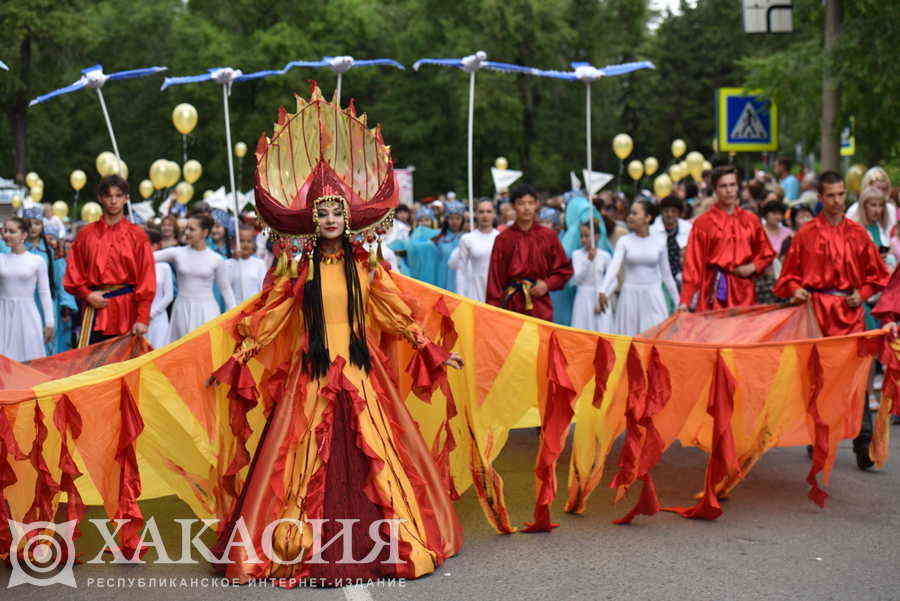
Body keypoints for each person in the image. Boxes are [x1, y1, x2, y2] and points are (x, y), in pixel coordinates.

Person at [212, 87, 462, 585]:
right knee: (301, 456)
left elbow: (393, 312)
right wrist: (243, 352)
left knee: (378, 453)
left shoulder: (365, 267)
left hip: (362, 371)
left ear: (348, 219)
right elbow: (277, 315)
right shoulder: (299, 270)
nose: (328, 219)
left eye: (335, 213)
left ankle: (390, 541)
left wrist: (428, 346)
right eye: (321, 213)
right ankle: (292, 544)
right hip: (314, 372)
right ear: (312, 219)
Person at [774, 170, 889, 470]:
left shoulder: (857, 233)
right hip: (817, 313)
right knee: (820, 379)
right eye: (831, 195)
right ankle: (818, 438)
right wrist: (797, 290)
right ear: (821, 198)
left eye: (841, 194)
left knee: (857, 377)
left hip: (850, 314)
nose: (838, 200)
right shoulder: (807, 234)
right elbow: (787, 277)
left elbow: (878, 275)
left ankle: (863, 443)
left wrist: (861, 294)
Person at [64, 175, 156, 347]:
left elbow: (146, 279)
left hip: (127, 311)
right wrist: (87, 294)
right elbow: (73, 271)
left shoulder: (137, 235)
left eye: (118, 195)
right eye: (108, 195)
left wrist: (142, 317)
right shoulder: (86, 234)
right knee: (92, 366)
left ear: (126, 199)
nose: (113, 201)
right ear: (100, 198)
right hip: (94, 310)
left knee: (126, 366)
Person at [678, 165, 776, 312]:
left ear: (738, 187)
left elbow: (766, 253)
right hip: (713, 290)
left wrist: (752, 267)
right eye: (723, 186)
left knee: (744, 333)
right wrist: (685, 301)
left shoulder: (751, 220)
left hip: (745, 291)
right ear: (715, 189)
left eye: (732, 185)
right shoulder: (703, 223)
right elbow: (693, 265)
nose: (729, 190)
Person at [486, 184, 573, 321]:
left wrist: (546, 285)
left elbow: (563, 270)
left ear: (537, 205)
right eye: (521, 203)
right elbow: (494, 280)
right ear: (513, 206)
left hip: (540, 305)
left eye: (530, 203)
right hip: (511, 306)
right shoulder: (503, 239)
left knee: (541, 341)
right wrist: (493, 313)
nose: (526, 208)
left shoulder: (548, 236)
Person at [598, 200, 679, 336]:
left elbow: (667, 275)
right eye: (630, 213)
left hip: (653, 296)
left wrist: (678, 303)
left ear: (648, 218)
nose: (630, 216)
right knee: (630, 341)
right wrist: (603, 290)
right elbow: (614, 267)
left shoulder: (660, 241)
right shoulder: (624, 241)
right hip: (630, 297)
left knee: (653, 339)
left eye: (635, 213)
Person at [153, 213, 237, 344]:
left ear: (204, 232)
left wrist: (234, 316)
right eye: (186, 228)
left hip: (207, 310)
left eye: (192, 229)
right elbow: (149, 257)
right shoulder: (177, 253)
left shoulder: (216, 259)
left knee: (206, 351)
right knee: (182, 352)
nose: (187, 232)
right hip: (182, 309)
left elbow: (226, 289)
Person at [0, 217, 54, 361]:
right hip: (3, 315)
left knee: (30, 359)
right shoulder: (1, 259)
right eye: (4, 231)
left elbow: (44, 292)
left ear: (24, 235)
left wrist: (49, 322)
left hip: (28, 315)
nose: (6, 235)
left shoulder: (36, 261)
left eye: (12, 231)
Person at [448, 199, 499, 302]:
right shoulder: (467, 238)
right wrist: (460, 296)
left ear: (494, 214)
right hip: (474, 291)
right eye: (481, 212)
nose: (485, 215)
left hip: (496, 290)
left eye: (488, 212)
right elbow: (461, 270)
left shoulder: (501, 237)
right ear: (476, 214)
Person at [571, 223, 613, 333]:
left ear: (597, 236)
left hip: (600, 297)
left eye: (587, 236)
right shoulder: (577, 255)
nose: (583, 239)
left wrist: (604, 296)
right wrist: (588, 261)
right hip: (583, 298)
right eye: (581, 236)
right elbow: (577, 279)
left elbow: (613, 280)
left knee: (602, 331)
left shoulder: (605, 256)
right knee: (582, 332)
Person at [651, 195, 692, 286]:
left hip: (682, 277)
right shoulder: (652, 230)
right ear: (661, 212)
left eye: (673, 211)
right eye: (666, 211)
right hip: (659, 278)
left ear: (679, 213)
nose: (669, 214)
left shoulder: (688, 228)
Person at [145, 229, 174, 350]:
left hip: (159, 318)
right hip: (139, 320)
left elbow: (169, 296)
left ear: (155, 246)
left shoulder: (164, 267)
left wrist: (152, 314)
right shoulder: (135, 267)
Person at [226, 224, 267, 303]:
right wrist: (234, 261)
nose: (245, 244)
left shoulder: (259, 264)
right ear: (235, 243)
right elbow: (226, 287)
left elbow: (263, 288)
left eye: (249, 241)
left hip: (252, 308)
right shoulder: (228, 264)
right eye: (241, 241)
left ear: (253, 243)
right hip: (234, 309)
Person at [433, 200, 465, 293]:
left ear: (462, 220)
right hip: (443, 281)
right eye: (451, 218)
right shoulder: (439, 238)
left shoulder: (467, 239)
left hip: (461, 281)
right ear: (446, 220)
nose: (454, 221)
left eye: (458, 218)